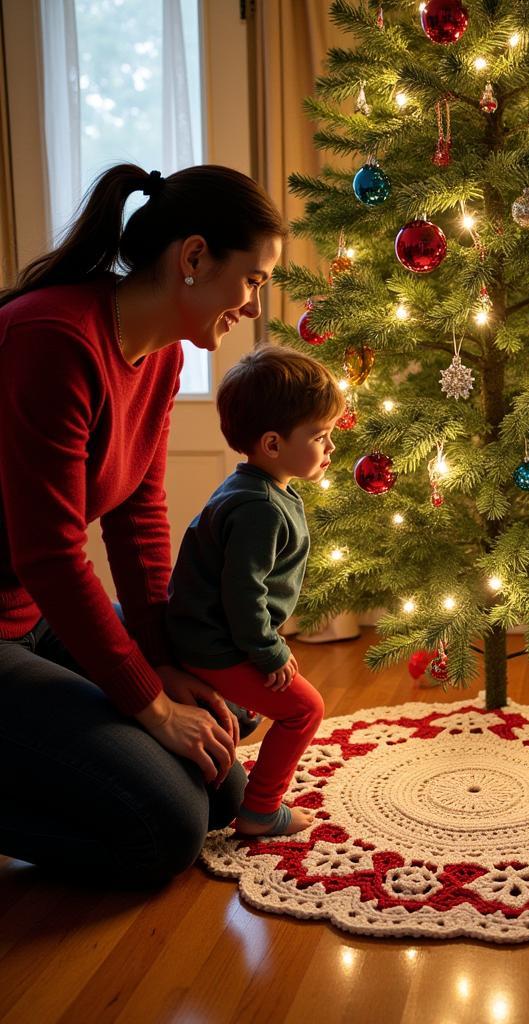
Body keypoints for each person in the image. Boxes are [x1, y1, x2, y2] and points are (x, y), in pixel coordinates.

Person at [0, 163, 286, 882]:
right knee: (165, 832)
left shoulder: (155, 357)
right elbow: (53, 555)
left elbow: (137, 518)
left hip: (31, 615)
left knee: (220, 773)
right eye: (251, 279)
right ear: (193, 258)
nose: (254, 305)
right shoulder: (51, 341)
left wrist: (163, 662)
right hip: (10, 617)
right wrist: (151, 707)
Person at [167, 346, 340, 836]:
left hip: (211, 634)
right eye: (320, 437)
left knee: (275, 704)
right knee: (306, 709)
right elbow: (243, 595)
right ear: (271, 443)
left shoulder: (263, 487)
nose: (330, 449)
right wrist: (267, 651)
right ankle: (261, 809)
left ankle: (237, 741)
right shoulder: (257, 508)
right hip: (212, 644)